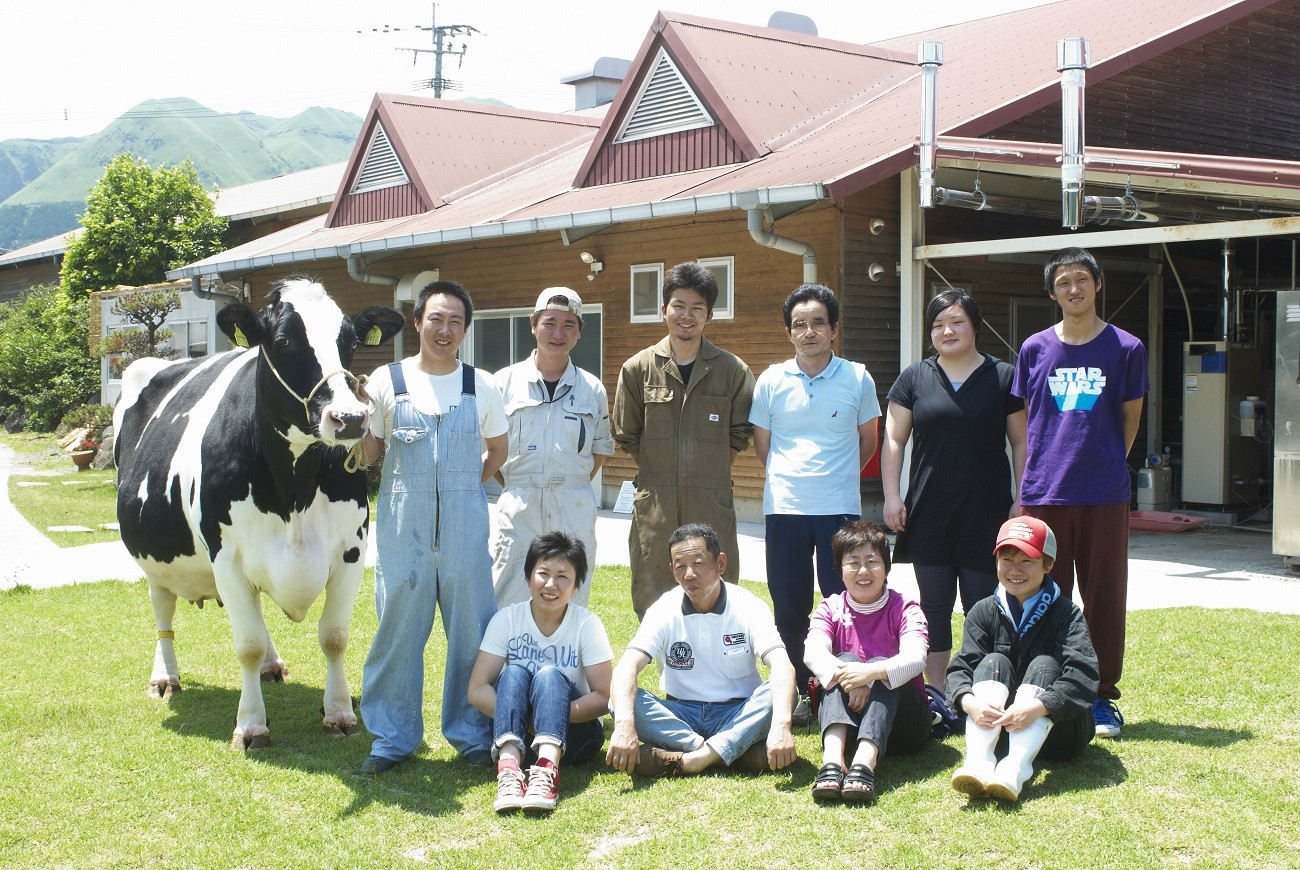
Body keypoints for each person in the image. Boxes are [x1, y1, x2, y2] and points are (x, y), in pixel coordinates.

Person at [357, 279, 508, 773]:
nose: (445, 330)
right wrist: (354, 426)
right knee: (397, 633)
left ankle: (470, 735)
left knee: (472, 635)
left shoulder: (480, 384)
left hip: (466, 531)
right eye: (436, 319)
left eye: (456, 321)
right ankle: (392, 738)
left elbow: (498, 451)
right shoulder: (386, 381)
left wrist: (464, 482)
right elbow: (371, 451)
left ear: (466, 328)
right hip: (404, 531)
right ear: (418, 322)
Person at [1013, 246, 1147, 738]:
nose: (1074, 289)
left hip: (1103, 491)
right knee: (1043, 593)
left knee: (1104, 594)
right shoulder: (1034, 349)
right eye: (1064, 282)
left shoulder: (1126, 348)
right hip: (1044, 491)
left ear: (1097, 284)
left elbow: (1130, 421)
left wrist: (1105, 460)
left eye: (1082, 280)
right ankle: (1040, 688)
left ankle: (1099, 695)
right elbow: (1029, 422)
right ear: (1053, 292)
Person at [881, 289, 1027, 687]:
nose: (947, 331)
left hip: (987, 512)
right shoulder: (914, 377)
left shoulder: (1004, 377)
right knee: (934, 607)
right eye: (938, 324)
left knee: (983, 607)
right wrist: (893, 496)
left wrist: (1022, 498)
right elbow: (894, 439)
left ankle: (981, 687)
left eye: (956, 322)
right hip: (929, 510)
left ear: (975, 327)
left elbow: (1021, 441)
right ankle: (937, 691)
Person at [749, 283, 880, 721]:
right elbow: (762, 445)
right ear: (789, 332)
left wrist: (834, 477)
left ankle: (841, 688)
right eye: (799, 325)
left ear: (834, 329)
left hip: (838, 508)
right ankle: (802, 692)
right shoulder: (770, 380)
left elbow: (868, 443)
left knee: (842, 601)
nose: (809, 332)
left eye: (818, 323)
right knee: (789, 603)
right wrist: (795, 479)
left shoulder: (858, 377)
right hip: (784, 506)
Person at [612, 263, 755, 619]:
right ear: (664, 310)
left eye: (697, 308)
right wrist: (660, 465)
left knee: (716, 590)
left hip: (712, 498)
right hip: (655, 503)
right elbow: (626, 433)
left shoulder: (733, 371)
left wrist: (709, 467)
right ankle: (663, 670)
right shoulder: (636, 369)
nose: (686, 316)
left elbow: (740, 433)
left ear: (709, 315)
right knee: (654, 592)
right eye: (678, 305)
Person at [604, 523, 797, 777]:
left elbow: (782, 664)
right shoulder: (664, 609)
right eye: (680, 566)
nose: (689, 574)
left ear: (720, 564)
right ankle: (724, 752)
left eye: (698, 563)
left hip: (738, 711)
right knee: (620, 699)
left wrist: (782, 726)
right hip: (680, 714)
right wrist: (624, 723)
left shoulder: (749, 606)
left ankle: (691, 759)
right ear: (672, 571)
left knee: (784, 692)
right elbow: (627, 667)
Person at [946, 516, 1099, 802]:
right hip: (1001, 732)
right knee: (993, 661)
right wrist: (970, 703)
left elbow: (1083, 675)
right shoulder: (983, 611)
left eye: (1026, 560)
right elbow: (961, 668)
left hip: (1058, 737)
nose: (1014, 570)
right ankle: (979, 763)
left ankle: (1016, 769)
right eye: (1006, 559)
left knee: (1044, 664)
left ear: (1048, 564)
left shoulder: (1066, 613)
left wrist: (1036, 709)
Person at [468, 533, 613, 813]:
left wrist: (548, 716)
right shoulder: (507, 620)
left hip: (575, 736)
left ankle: (547, 772)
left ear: (576, 585)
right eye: (543, 573)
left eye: (563, 577)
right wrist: (526, 718)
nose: (550, 584)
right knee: (513, 675)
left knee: (548, 675)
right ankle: (509, 771)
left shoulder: (587, 625)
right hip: (518, 736)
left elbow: (605, 696)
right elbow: (477, 690)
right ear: (528, 576)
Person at [491, 287, 613, 608]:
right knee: (508, 596)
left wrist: (566, 482)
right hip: (519, 508)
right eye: (550, 322)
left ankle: (562, 658)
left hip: (572, 507)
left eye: (568, 324)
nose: (558, 333)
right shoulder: (503, 384)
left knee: (570, 598)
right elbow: (491, 448)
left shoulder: (592, 389)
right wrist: (522, 483)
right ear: (533, 324)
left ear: (579, 331)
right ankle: (508, 660)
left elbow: (598, 450)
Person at [805, 521, 930, 804]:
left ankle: (864, 763)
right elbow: (813, 653)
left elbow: (915, 658)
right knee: (842, 660)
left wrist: (870, 674)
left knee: (882, 663)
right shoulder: (830, 607)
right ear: (839, 569)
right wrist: (853, 675)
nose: (863, 571)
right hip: (851, 719)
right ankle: (833, 762)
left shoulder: (905, 608)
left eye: (872, 561)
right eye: (853, 562)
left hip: (905, 727)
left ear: (886, 568)